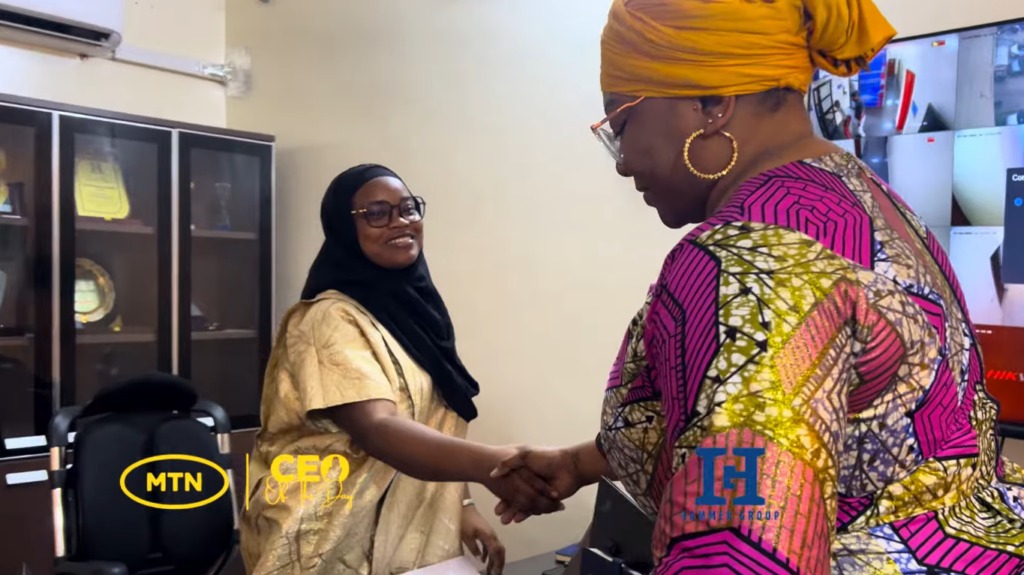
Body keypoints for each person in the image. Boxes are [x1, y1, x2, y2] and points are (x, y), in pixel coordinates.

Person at [491, 0, 1024, 573]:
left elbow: (739, 554)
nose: (622, 164)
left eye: (621, 127)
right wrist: (582, 462)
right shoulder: (865, 200)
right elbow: (829, 422)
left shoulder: (747, 263)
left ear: (711, 103)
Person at [240, 165, 560, 575]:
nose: (400, 222)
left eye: (408, 209)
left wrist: (462, 504)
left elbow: (432, 419)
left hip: (407, 530)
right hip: (327, 537)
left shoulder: (416, 314)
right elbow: (378, 428)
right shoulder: (328, 318)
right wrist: (492, 464)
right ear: (344, 228)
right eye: (377, 213)